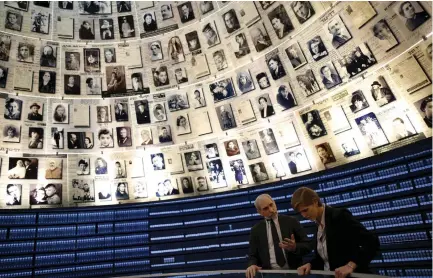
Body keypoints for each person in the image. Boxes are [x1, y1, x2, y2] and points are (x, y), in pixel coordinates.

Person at [293, 187, 379, 277]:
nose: (304, 215)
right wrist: (310, 265)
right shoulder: (317, 225)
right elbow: (326, 259)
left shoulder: (339, 216)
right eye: (300, 212)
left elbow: (372, 241)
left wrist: (351, 265)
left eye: (305, 210)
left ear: (315, 202)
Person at [246, 194, 311, 278]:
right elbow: (252, 255)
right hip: (270, 275)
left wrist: (295, 247)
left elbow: (308, 246)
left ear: (274, 203)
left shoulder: (291, 221)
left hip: (294, 273)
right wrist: (252, 265)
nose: (271, 209)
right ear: (259, 212)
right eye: (265, 208)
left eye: (271, 205)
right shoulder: (256, 230)